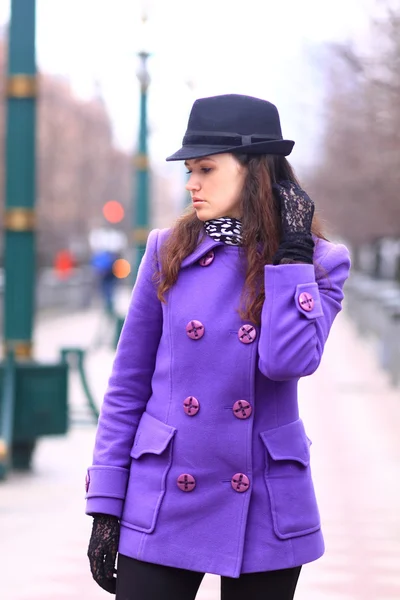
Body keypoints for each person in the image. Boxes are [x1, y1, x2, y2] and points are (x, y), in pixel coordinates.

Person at [85, 94, 351, 599]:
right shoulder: (168, 250)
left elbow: (287, 360)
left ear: (254, 171)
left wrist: (291, 257)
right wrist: (105, 503)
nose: (192, 184)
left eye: (206, 168)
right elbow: (126, 387)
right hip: (164, 495)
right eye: (189, 169)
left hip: (263, 499)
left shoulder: (319, 263)